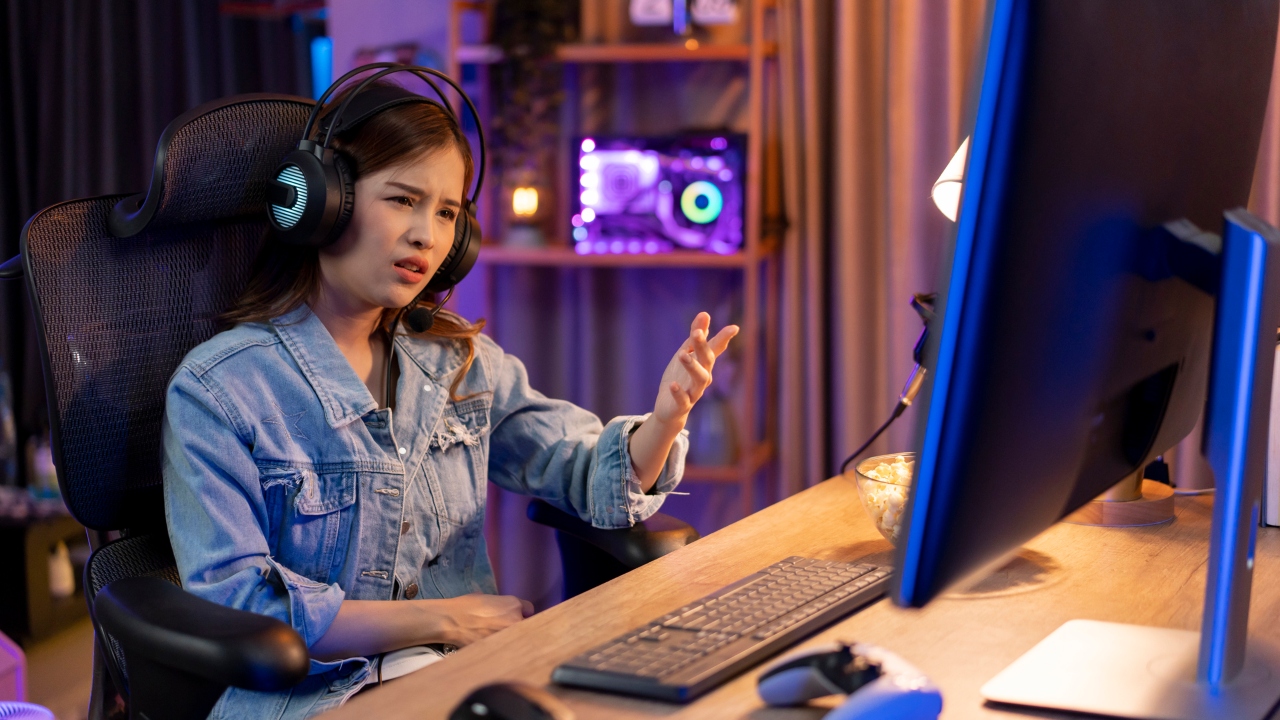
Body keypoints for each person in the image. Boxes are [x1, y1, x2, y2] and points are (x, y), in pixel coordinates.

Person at [161, 79, 737, 719]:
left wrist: (664, 420)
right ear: (321, 203)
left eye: (445, 213)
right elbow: (238, 606)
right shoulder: (219, 389)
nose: (427, 236)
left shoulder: (460, 363)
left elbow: (579, 471)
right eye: (403, 200)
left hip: (467, 674)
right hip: (314, 697)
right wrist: (443, 619)